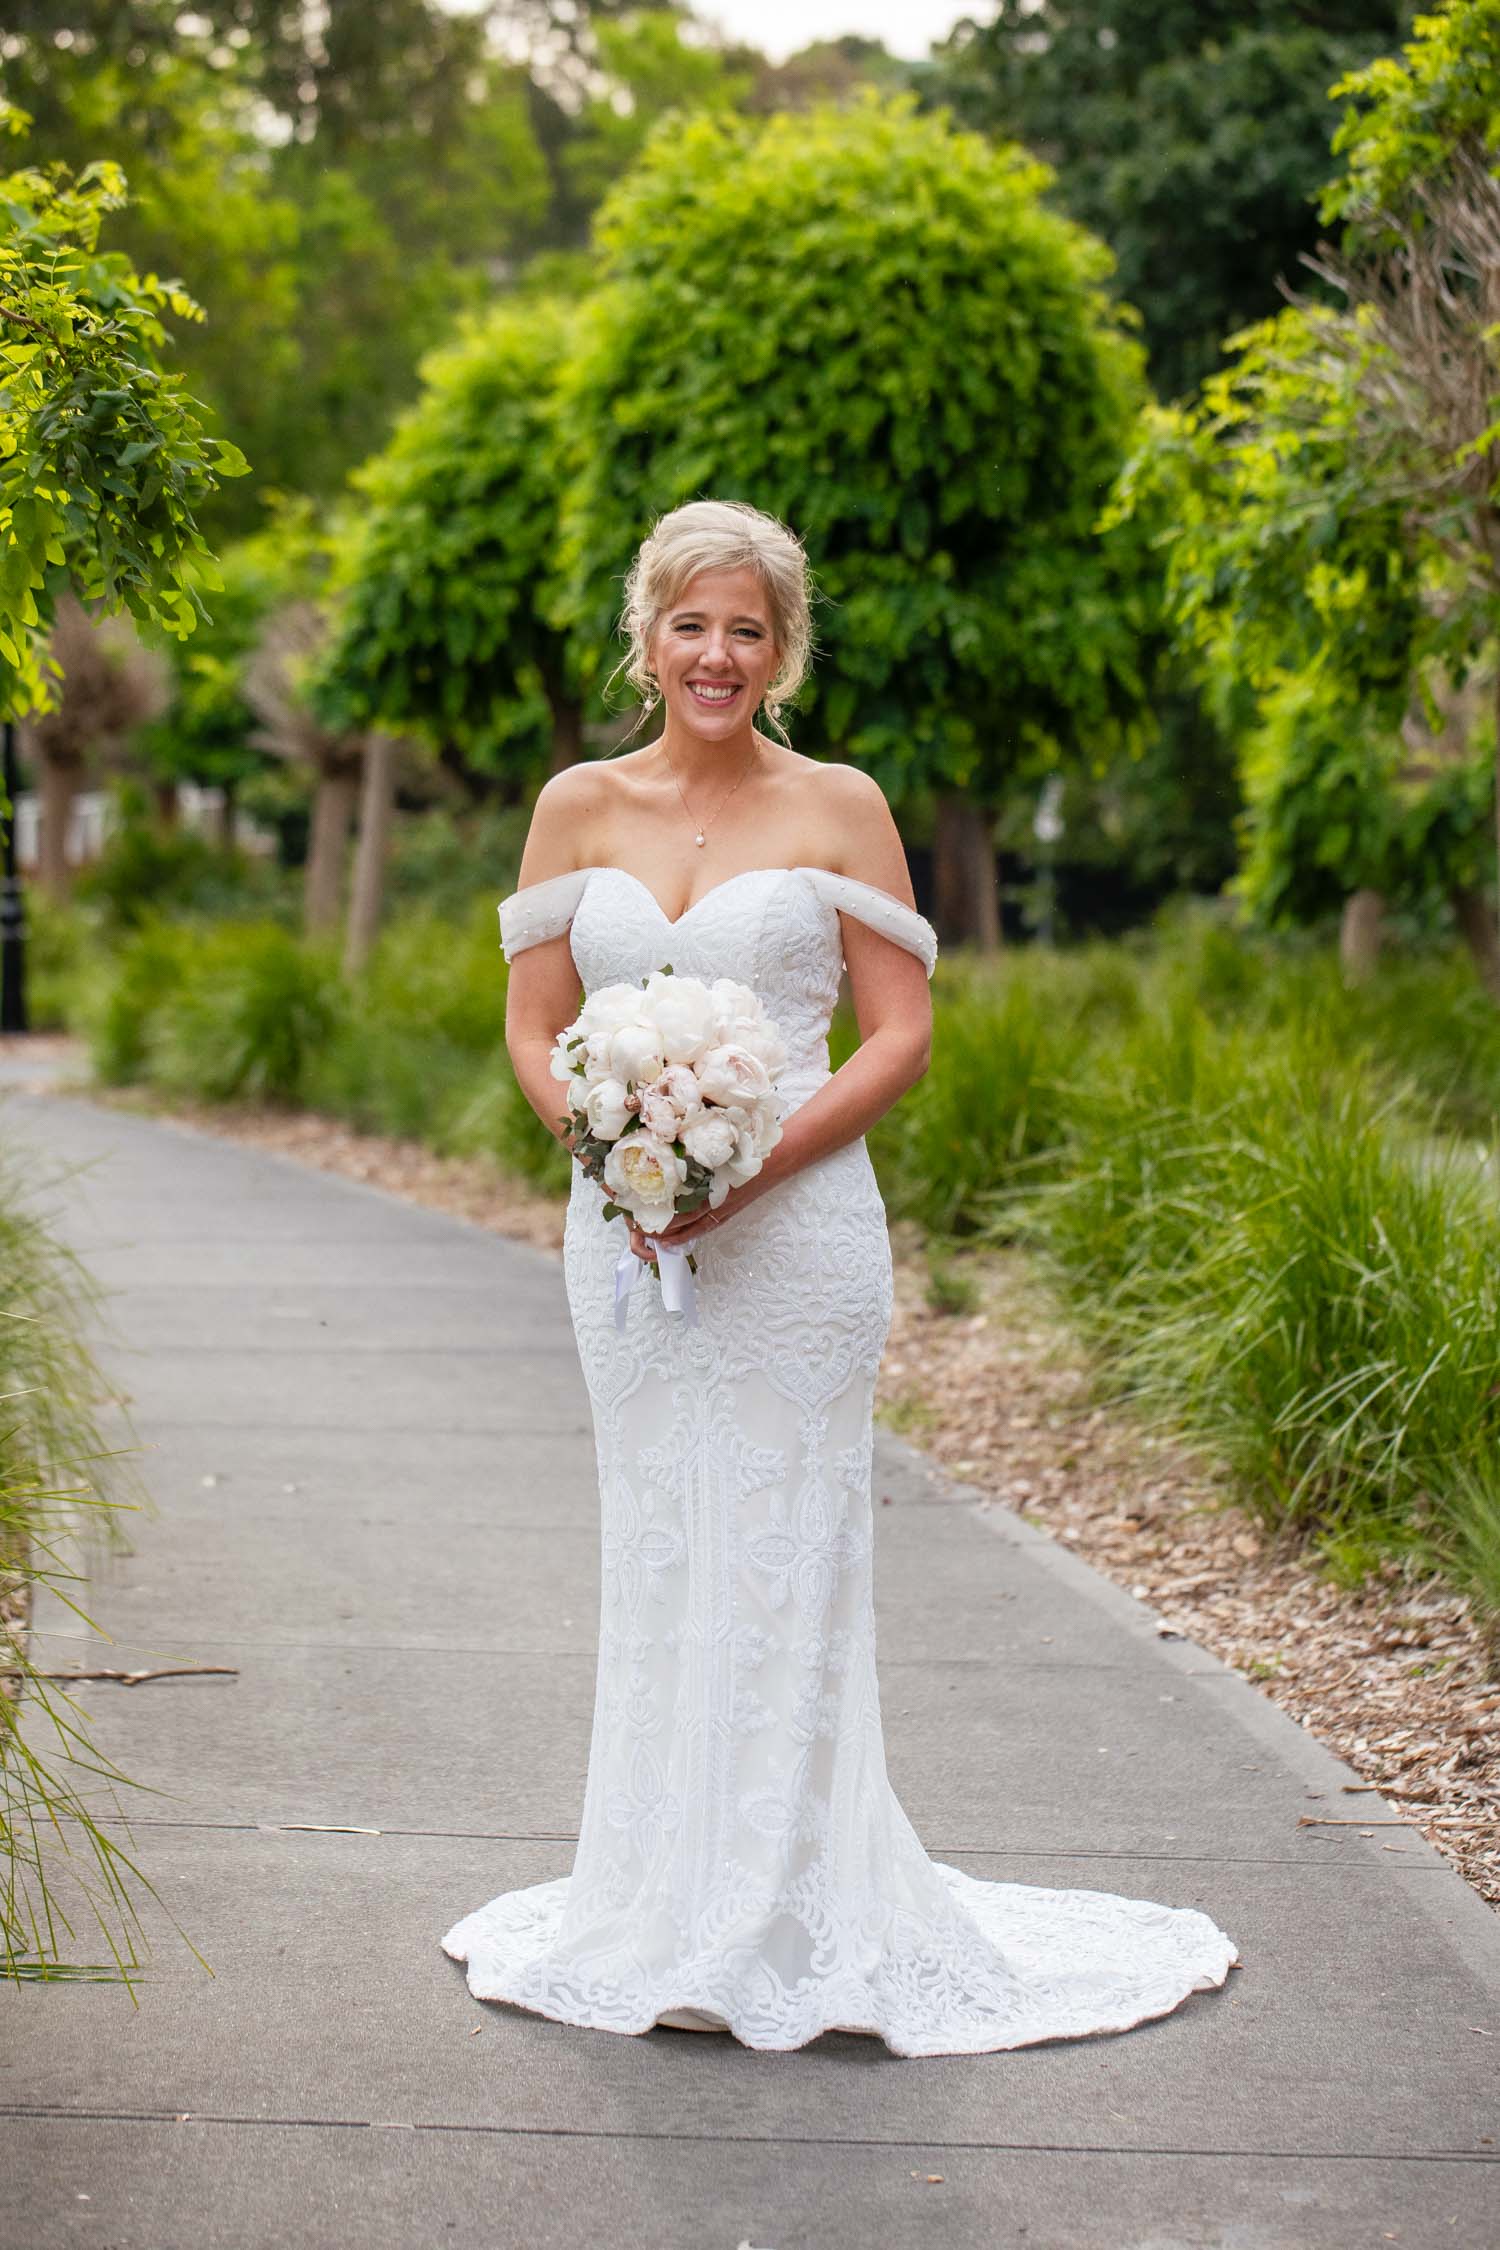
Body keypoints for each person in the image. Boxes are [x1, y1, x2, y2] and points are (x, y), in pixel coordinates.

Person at [440, 497, 1238, 2054]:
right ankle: (659, 1890)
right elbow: (538, 1029)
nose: (717, 655)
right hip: (625, 1243)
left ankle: (791, 1909)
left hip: (798, 1241)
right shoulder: (575, 805)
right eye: (691, 625)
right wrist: (612, 1154)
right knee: (665, 1541)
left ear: (783, 646)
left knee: (786, 1552)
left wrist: (745, 1168)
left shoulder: (843, 805)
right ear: (648, 634)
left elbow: (902, 1033)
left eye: (747, 628)